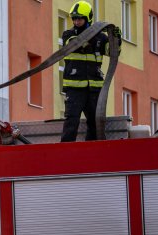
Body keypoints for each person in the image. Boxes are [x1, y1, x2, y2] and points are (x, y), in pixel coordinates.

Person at [60, 1, 122, 142]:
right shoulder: (68, 34)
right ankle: (65, 152)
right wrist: (95, 35)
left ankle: (92, 150)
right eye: (74, 18)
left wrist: (116, 39)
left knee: (96, 123)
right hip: (74, 89)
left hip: (94, 89)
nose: (76, 21)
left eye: (79, 18)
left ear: (88, 18)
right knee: (72, 121)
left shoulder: (101, 38)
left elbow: (113, 52)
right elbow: (77, 44)